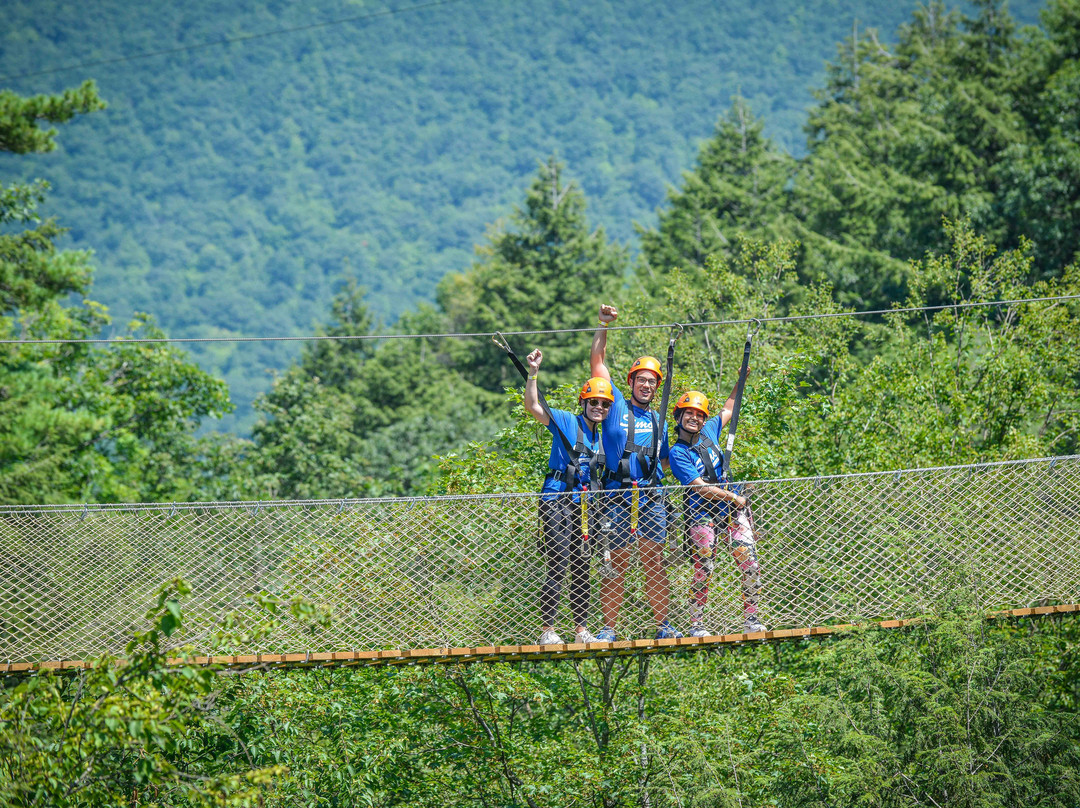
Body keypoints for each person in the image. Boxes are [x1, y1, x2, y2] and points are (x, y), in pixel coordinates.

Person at [589, 304, 682, 641]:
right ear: (631, 382)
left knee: (654, 563)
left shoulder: (659, 421)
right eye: (641, 380)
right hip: (616, 495)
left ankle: (663, 624)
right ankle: (608, 627)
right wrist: (604, 325)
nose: (647, 385)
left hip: (651, 496)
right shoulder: (613, 405)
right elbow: (598, 365)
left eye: (652, 382)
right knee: (616, 565)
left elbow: (670, 461)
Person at [524, 347, 611, 645]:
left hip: (583, 506)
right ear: (583, 403)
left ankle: (580, 628)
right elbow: (533, 406)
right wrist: (533, 373)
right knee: (559, 562)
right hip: (556, 499)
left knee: (581, 565)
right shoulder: (565, 420)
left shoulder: (601, 437)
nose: (598, 407)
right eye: (593, 402)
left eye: (603, 404)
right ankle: (547, 629)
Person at [668, 389, 766, 636]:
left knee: (750, 562)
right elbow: (700, 488)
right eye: (688, 413)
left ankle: (751, 619)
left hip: (730, 510)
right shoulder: (677, 453)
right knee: (704, 566)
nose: (694, 418)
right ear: (678, 417)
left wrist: (739, 380)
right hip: (702, 510)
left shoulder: (710, 431)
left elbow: (728, 409)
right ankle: (696, 624)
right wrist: (734, 496)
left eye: (699, 415)